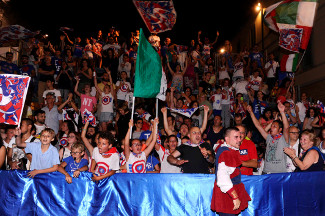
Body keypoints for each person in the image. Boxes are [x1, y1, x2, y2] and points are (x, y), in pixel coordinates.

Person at [211, 127, 251, 215]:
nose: (239, 139)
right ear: (227, 139)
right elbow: (222, 177)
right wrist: (234, 197)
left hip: (228, 194)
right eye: (236, 137)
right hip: (227, 196)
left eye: (240, 137)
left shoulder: (229, 150)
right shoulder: (227, 152)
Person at [247, 101, 290, 174]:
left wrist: (282, 112)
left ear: (280, 130)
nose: (271, 128)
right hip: (266, 171)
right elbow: (258, 126)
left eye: (274, 126)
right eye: (271, 126)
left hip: (279, 173)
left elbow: (286, 128)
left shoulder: (284, 139)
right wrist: (251, 112)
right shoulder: (269, 137)